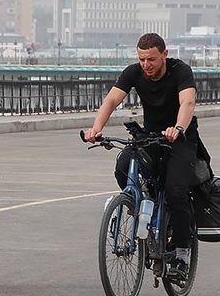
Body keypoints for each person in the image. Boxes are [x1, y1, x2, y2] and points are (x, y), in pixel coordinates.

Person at [83, 33, 199, 277]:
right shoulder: (133, 72)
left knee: (176, 191)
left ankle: (181, 255)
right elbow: (112, 100)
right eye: (142, 59)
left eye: (152, 59)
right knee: (122, 166)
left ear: (164, 55)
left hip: (180, 139)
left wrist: (178, 128)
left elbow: (187, 103)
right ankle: (141, 205)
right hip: (149, 136)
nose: (146, 65)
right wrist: (97, 128)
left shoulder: (180, 71)